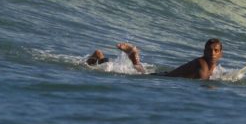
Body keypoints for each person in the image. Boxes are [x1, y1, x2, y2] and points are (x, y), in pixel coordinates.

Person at [86, 39, 224, 79]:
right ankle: (100, 57)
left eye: (216, 51)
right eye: (209, 50)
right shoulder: (203, 66)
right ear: (204, 52)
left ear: (220, 54)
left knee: (141, 72)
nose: (212, 53)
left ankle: (133, 56)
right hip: (166, 78)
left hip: (167, 75)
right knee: (138, 74)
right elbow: (204, 80)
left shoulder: (208, 65)